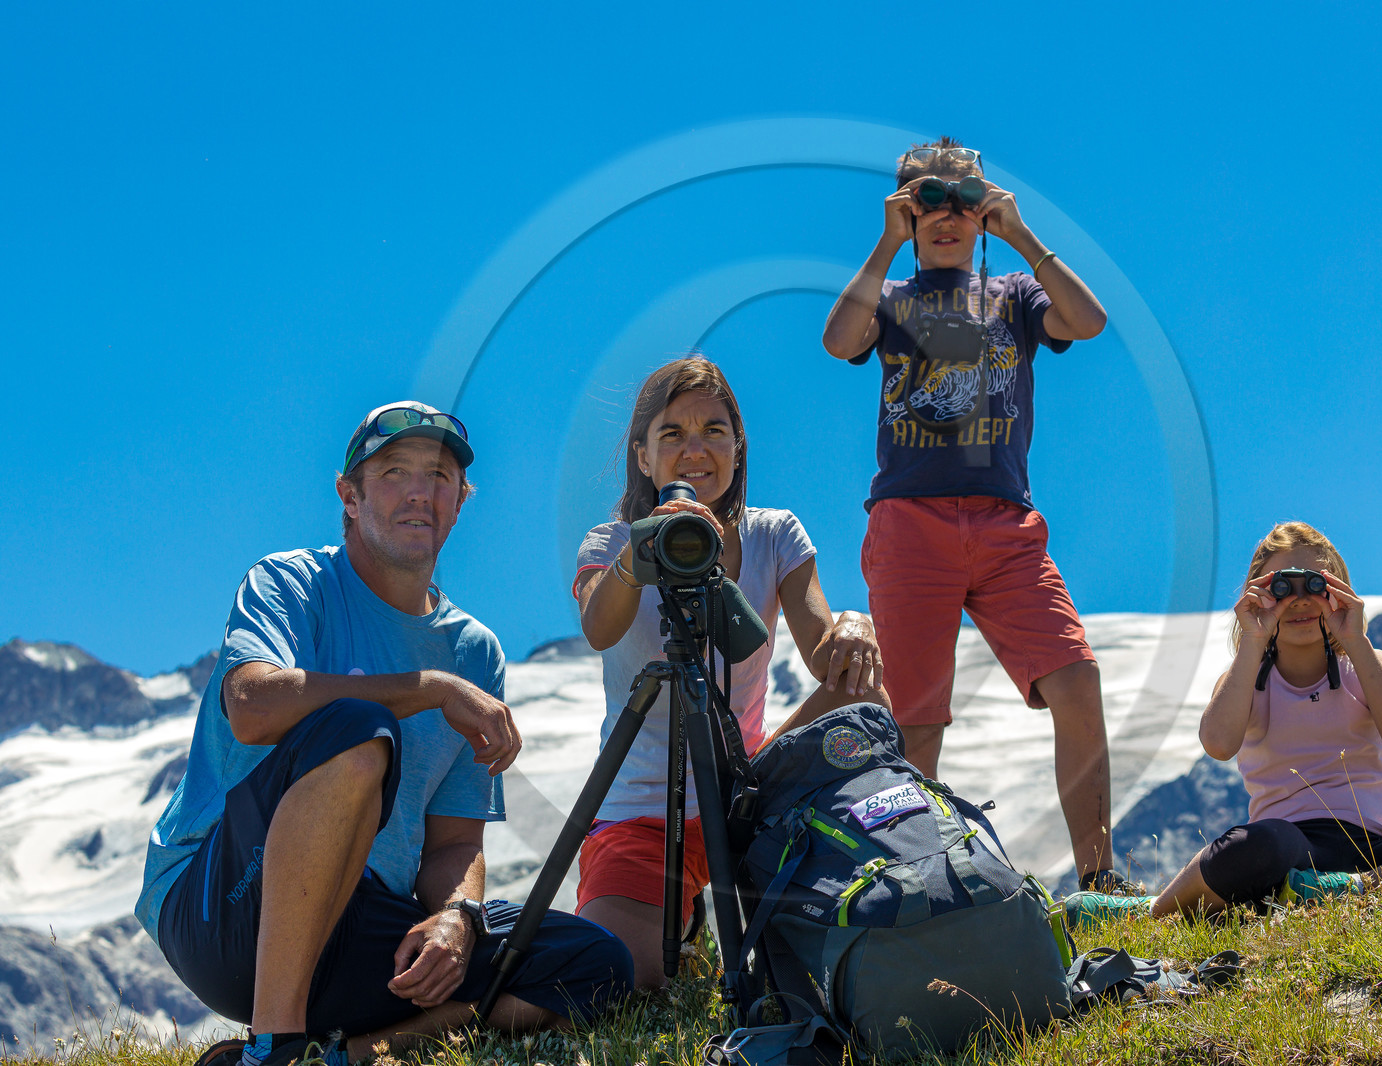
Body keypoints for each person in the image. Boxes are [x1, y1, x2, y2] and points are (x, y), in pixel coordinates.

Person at [137, 402, 632, 1066]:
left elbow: (454, 841)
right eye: (395, 472)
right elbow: (251, 704)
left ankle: (337, 1057)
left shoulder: (475, 651)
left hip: (365, 923)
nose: (420, 492)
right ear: (350, 495)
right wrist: (424, 688)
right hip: (225, 914)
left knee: (594, 963)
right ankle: (273, 1046)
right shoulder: (289, 583)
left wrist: (458, 919)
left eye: (440, 477)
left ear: (461, 501)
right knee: (356, 730)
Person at [820, 137, 1125, 891]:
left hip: (1004, 523)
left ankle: (1099, 880)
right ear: (906, 209)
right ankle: (913, 889)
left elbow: (1088, 321)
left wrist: (1020, 232)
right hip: (908, 521)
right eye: (929, 199)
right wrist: (886, 243)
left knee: (1075, 680)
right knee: (916, 719)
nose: (947, 214)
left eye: (965, 198)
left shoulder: (1015, 294)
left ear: (984, 209)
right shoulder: (890, 301)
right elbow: (838, 342)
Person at [573, 355, 892, 988]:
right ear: (642, 456)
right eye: (672, 434)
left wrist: (855, 626)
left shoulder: (774, 535)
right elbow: (598, 627)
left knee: (863, 684)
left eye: (714, 431)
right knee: (620, 980)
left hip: (748, 790)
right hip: (640, 809)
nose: (696, 450)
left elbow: (825, 655)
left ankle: (888, 846)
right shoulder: (609, 544)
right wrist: (638, 560)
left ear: (737, 446)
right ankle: (685, 924)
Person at [1065, 521, 1382, 925]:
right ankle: (1150, 913)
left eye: (1315, 585)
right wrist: (1253, 642)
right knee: (1262, 843)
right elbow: (1217, 743)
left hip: (1378, 854)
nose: (1299, 600)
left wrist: (1357, 642)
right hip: (1287, 850)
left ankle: (1354, 892)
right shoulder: (1245, 678)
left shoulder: (1369, 664)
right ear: (1257, 596)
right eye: (1281, 588)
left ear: (1340, 592)